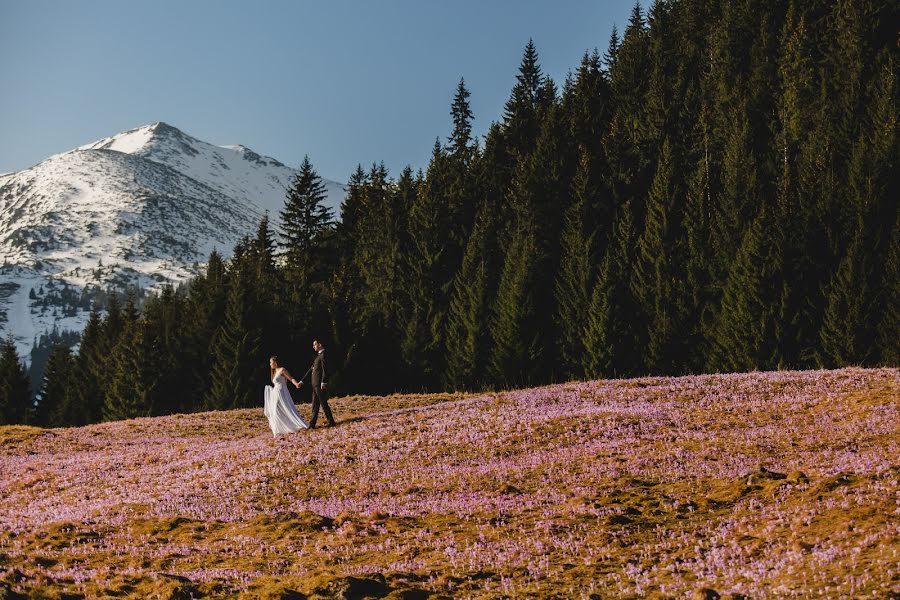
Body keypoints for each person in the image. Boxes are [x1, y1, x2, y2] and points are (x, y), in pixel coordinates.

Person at [263, 356, 309, 436]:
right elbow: (274, 382)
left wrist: (296, 384)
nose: (270, 364)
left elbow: (290, 378)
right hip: (275, 393)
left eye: (271, 362)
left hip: (281, 392)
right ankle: (278, 430)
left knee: (285, 408)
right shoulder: (274, 372)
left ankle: (292, 426)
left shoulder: (282, 370)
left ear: (275, 362)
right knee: (275, 410)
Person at [296, 339, 335, 428]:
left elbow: (325, 369)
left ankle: (331, 421)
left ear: (320, 344)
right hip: (314, 384)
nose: (313, 347)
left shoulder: (323, 355)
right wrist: (302, 381)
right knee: (315, 405)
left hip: (319, 384)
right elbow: (311, 370)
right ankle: (312, 424)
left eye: (315, 345)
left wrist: (323, 381)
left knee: (323, 403)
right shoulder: (318, 356)